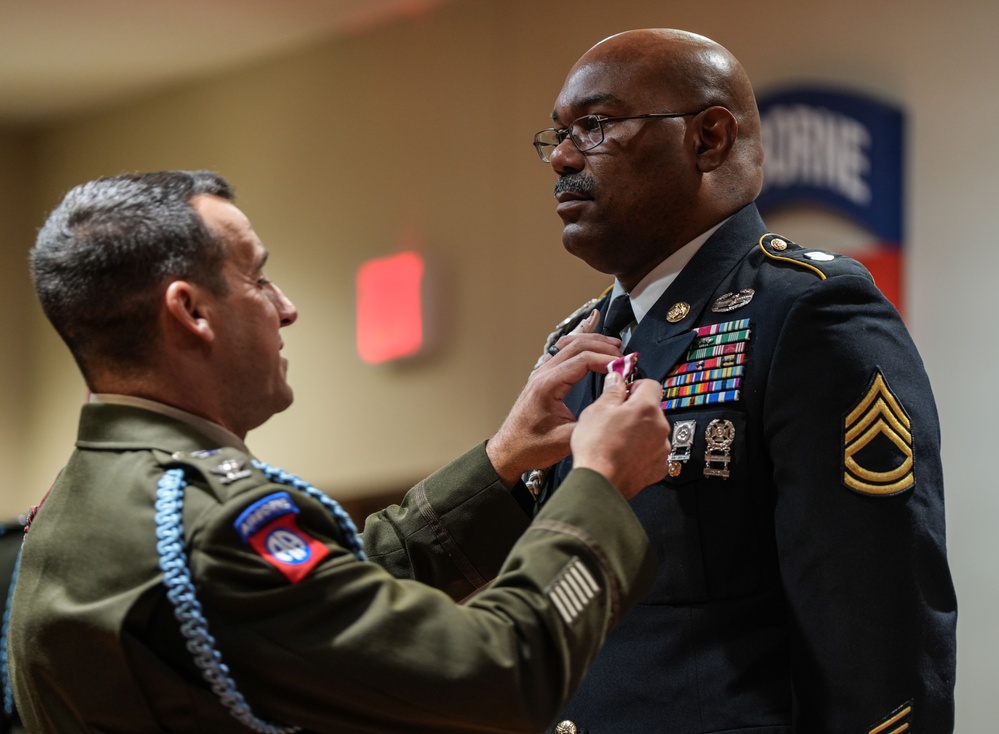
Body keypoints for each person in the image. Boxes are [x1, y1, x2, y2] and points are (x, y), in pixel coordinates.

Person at [6, 170, 673, 734]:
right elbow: (495, 673)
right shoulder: (208, 524)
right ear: (191, 311)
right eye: (259, 278)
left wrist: (499, 461)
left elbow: (315, 607)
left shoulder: (85, 496)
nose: (285, 308)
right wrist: (599, 485)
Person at [530, 29, 957, 734]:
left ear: (709, 138)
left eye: (597, 127)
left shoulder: (806, 312)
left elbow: (877, 628)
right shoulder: (574, 349)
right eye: (559, 134)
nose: (566, 158)